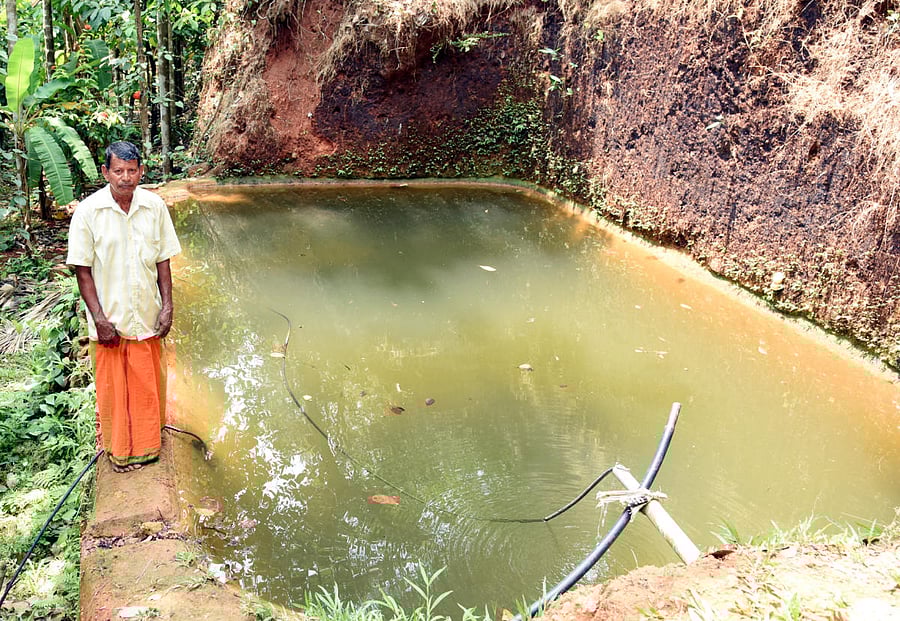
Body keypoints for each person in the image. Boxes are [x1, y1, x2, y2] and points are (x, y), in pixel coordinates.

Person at [66, 141, 182, 473]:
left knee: (147, 386)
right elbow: (83, 270)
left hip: (146, 314)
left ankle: (148, 445)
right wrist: (99, 318)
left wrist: (167, 306)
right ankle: (119, 453)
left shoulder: (154, 206)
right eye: (118, 171)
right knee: (114, 391)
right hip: (111, 320)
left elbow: (163, 261)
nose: (125, 178)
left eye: (132, 171)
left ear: (141, 171)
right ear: (106, 172)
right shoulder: (90, 212)